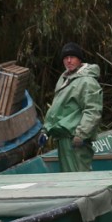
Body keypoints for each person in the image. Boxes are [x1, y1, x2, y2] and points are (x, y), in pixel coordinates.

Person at [39, 42, 103, 172]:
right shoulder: (64, 78)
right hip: (63, 139)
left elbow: (93, 110)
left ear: (79, 59)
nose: (69, 61)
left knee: (79, 176)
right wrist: (46, 130)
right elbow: (56, 108)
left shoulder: (87, 81)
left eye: (72, 57)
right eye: (65, 58)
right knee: (68, 178)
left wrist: (81, 135)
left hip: (76, 140)